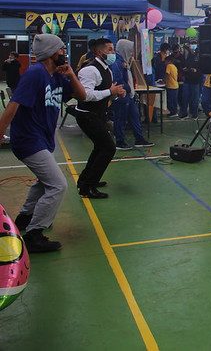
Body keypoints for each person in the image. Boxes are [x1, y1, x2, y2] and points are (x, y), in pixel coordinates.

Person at [0, 34, 86, 252]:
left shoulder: (56, 75)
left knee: (43, 182)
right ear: (50, 53)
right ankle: (35, 233)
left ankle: (25, 218)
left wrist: (71, 74)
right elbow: (13, 105)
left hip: (43, 139)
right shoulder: (35, 74)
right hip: (29, 140)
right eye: (60, 50)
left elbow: (82, 95)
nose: (63, 53)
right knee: (58, 185)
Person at [74, 38, 126, 198]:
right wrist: (110, 91)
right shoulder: (90, 70)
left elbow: (106, 94)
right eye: (109, 50)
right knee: (108, 148)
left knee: (100, 147)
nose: (113, 53)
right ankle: (87, 188)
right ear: (98, 52)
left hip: (98, 115)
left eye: (113, 50)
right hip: (87, 116)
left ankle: (86, 180)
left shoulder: (107, 70)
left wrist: (116, 93)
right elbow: (86, 95)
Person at [110, 39, 153, 151]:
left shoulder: (125, 61)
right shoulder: (116, 62)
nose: (132, 53)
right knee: (120, 119)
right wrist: (128, 89)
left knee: (135, 116)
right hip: (122, 95)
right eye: (130, 50)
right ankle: (120, 141)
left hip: (129, 95)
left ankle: (139, 139)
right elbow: (118, 80)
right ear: (125, 50)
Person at [179, 44, 201, 120]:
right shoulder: (184, 58)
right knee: (185, 97)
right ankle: (184, 113)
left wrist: (195, 70)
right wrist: (185, 70)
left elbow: (201, 70)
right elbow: (183, 67)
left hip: (195, 81)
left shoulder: (197, 58)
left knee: (194, 98)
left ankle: (194, 114)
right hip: (187, 80)